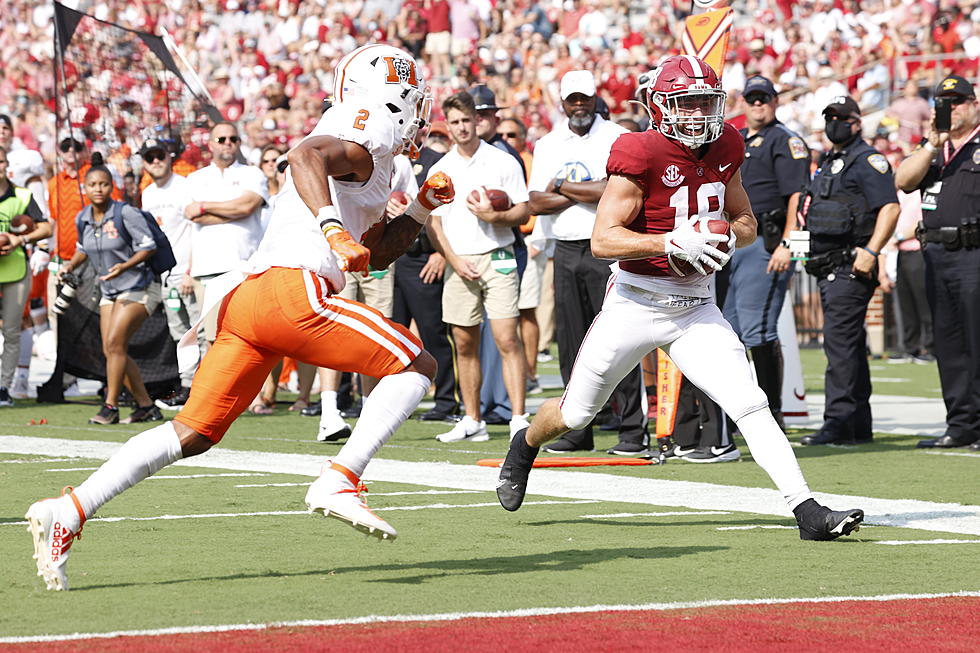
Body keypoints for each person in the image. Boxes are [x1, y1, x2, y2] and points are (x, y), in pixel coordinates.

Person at [25, 44, 454, 591]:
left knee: (192, 433)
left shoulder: (378, 161)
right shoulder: (361, 134)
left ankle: (70, 508)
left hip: (251, 301)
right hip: (290, 291)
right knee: (417, 365)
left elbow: (378, 252)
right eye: (411, 102)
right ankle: (341, 478)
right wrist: (330, 228)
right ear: (387, 100)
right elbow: (305, 157)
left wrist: (420, 208)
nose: (418, 114)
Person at [495, 55, 864, 543]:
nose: (696, 114)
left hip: (694, 307)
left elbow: (746, 221)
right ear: (659, 107)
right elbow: (604, 239)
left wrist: (729, 238)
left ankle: (806, 509)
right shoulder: (639, 151)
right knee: (576, 415)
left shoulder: (728, 142)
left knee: (750, 403)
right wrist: (671, 242)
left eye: (704, 102)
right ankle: (525, 444)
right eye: (685, 103)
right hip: (634, 300)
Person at [527, 70, 647, 455]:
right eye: (572, 99)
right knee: (571, 344)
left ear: (595, 98)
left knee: (621, 340)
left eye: (584, 98)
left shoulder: (616, 137)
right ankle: (576, 428)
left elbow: (613, 192)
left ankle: (632, 431)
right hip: (565, 247)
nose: (579, 105)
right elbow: (534, 202)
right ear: (562, 102)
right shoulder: (547, 143)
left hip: (607, 247)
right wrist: (586, 190)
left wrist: (560, 187)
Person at [426, 91, 531, 442]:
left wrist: (496, 215)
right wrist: (453, 260)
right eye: (454, 122)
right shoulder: (441, 168)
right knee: (463, 342)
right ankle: (473, 419)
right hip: (460, 260)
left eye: (465, 121)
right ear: (449, 125)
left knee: (506, 338)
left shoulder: (502, 161)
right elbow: (434, 222)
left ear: (476, 121)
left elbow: (524, 209)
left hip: (498, 255)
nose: (461, 128)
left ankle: (518, 416)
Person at [798, 95, 899, 446]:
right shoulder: (829, 161)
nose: (834, 123)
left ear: (857, 122)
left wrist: (872, 251)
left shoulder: (867, 161)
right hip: (829, 265)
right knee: (850, 345)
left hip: (850, 265)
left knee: (839, 345)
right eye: (830, 116)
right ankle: (858, 424)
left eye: (841, 117)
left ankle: (838, 421)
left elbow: (890, 208)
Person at [894, 75, 980, 451]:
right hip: (938, 255)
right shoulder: (934, 150)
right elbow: (903, 179)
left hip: (974, 253)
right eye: (945, 102)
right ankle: (961, 424)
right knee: (949, 344)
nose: (952, 108)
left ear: (974, 104)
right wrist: (932, 143)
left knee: (978, 341)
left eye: (959, 101)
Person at [723, 76, 811, 437]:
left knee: (758, 330)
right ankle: (738, 413)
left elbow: (802, 198)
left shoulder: (786, 140)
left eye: (765, 98)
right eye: (753, 98)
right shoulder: (735, 138)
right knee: (729, 331)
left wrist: (794, 248)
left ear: (775, 102)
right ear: (743, 102)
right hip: (733, 242)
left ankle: (772, 413)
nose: (758, 104)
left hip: (769, 242)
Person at [58, 155, 164, 425]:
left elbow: (148, 245)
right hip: (109, 289)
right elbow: (83, 249)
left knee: (115, 344)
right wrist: (68, 267)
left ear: (111, 186)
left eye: (104, 184)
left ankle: (110, 405)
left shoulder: (125, 212)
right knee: (112, 348)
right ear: (85, 187)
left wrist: (124, 266)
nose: (98, 189)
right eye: (93, 184)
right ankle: (146, 406)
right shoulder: (83, 217)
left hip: (139, 285)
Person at [390, 122, 460, 422]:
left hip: (422, 256)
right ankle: (388, 398)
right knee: (391, 331)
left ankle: (446, 400)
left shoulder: (436, 162)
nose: (409, 132)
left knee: (433, 332)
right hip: (392, 256)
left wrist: (439, 253)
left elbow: (450, 212)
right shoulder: (385, 158)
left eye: (415, 127)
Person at [184, 121, 268, 344]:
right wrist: (235, 209)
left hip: (246, 268)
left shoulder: (253, 173)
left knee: (255, 339)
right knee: (215, 341)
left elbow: (246, 206)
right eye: (222, 139)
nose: (228, 144)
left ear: (239, 143)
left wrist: (204, 205)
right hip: (208, 270)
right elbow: (193, 216)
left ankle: (270, 382)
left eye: (233, 139)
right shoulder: (195, 179)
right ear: (211, 144)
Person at [140, 137, 199, 412]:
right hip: (166, 274)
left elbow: (196, 230)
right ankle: (188, 386)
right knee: (178, 332)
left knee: (199, 331)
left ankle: (202, 387)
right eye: (150, 157)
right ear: (144, 162)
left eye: (159, 155)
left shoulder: (185, 186)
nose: (156, 161)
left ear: (169, 156)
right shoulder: (148, 194)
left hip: (188, 270)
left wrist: (190, 270)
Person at [0, 147, 51, 406]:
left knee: (11, 329)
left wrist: (19, 238)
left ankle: (3, 386)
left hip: (15, 271)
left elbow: (45, 226)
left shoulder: (22, 195)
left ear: (6, 166)